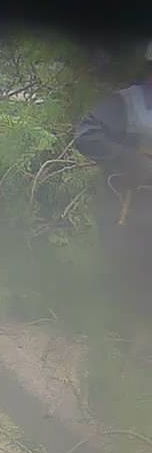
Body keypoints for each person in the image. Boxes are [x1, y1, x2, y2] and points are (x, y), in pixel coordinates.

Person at [76, 44, 152, 358]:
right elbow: (86, 136)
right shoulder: (125, 103)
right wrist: (132, 161)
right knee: (130, 273)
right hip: (128, 208)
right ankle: (127, 344)